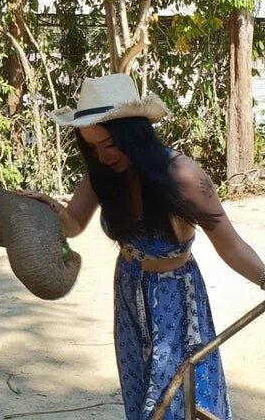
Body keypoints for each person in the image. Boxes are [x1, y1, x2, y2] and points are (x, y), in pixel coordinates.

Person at [19, 73, 265, 420]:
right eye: (92, 147)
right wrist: (47, 207)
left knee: (178, 399)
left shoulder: (183, 176)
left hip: (176, 300)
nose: (102, 156)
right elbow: (73, 224)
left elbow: (232, 245)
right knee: (140, 396)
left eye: (109, 144)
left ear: (134, 136)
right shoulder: (101, 173)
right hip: (128, 292)